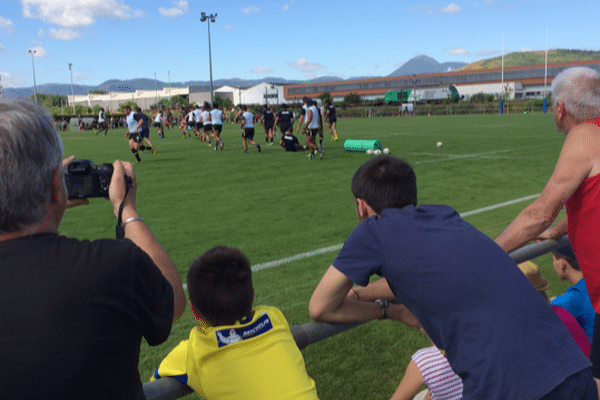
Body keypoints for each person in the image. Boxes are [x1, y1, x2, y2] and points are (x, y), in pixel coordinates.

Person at [309, 155, 597, 400]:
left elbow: (320, 306)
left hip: (510, 386)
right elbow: (426, 276)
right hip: (572, 367)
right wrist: (371, 296)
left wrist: (385, 312)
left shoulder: (372, 230)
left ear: (361, 206)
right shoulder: (444, 217)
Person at [0, 99, 186, 399]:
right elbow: (173, 302)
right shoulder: (112, 265)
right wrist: (127, 211)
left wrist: (48, 203)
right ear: (55, 185)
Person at [494, 66, 600, 386]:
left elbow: (539, 214)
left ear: (560, 108)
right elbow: (589, 200)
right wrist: (556, 233)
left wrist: (488, 251)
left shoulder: (584, 135)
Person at [151, 246, 319, 400]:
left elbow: (153, 385)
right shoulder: (273, 316)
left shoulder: (193, 351)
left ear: (194, 310)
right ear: (253, 296)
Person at [551, 244, 596, 343]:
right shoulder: (593, 280)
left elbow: (546, 310)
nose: (553, 264)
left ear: (562, 264)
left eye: (554, 260)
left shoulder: (574, 298)